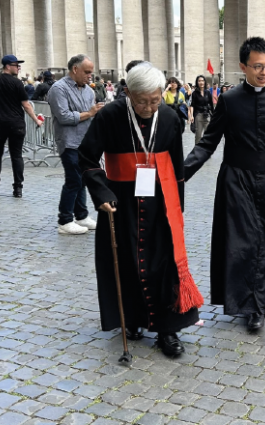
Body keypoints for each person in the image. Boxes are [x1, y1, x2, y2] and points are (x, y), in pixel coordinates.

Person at [78, 63, 203, 356]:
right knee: (126, 261)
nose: (148, 107)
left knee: (164, 263)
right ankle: (131, 319)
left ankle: (167, 330)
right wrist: (102, 192)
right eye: (142, 101)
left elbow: (177, 165)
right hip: (120, 201)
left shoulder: (169, 117)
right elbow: (86, 157)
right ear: (128, 93)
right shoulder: (110, 115)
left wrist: (178, 208)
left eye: (154, 100)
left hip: (161, 201)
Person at [184, 37, 265, 331]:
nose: (264, 72)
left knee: (264, 241)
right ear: (243, 67)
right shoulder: (229, 100)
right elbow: (208, 142)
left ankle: (257, 303)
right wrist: (180, 173)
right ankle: (246, 301)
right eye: (257, 66)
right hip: (235, 180)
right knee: (241, 242)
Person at [48, 54, 103, 236]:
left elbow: (91, 116)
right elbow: (64, 116)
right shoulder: (59, 89)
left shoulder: (89, 91)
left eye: (91, 72)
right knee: (74, 180)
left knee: (83, 179)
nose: (90, 76)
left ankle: (81, 215)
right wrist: (89, 113)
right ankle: (65, 220)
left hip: (85, 142)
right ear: (75, 69)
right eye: (87, 72)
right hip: (69, 141)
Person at [0, 55, 43, 198]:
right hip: (16, 123)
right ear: (8, 66)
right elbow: (26, 105)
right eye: (16, 65)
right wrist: (36, 120)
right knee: (16, 155)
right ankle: (18, 188)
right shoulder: (17, 83)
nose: (18, 68)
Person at [189, 75, 214, 144]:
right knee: (198, 136)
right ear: (197, 82)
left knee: (208, 135)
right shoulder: (194, 93)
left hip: (207, 115)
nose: (201, 82)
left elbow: (211, 105)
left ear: (205, 82)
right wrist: (191, 116)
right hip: (198, 115)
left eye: (202, 81)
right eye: (199, 81)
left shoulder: (208, 92)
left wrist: (213, 116)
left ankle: (206, 149)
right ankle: (197, 149)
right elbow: (192, 105)